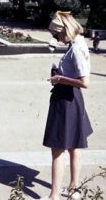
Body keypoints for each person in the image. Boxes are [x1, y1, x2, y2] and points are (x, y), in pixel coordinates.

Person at [40, 11, 93, 200]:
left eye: (56, 34)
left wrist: (60, 78)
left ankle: (54, 195)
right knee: (73, 147)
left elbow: (85, 82)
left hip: (66, 101)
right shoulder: (77, 44)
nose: (56, 38)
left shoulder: (76, 48)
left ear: (64, 30)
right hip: (71, 99)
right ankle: (73, 189)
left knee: (57, 149)